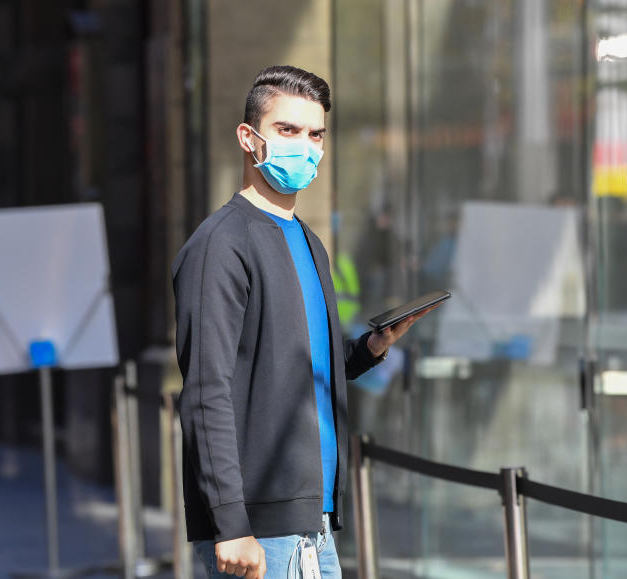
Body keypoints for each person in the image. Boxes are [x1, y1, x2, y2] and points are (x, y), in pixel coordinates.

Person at [172, 65, 435, 579]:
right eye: (287, 130)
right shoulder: (220, 244)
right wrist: (231, 524)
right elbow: (206, 391)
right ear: (249, 138)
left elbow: (294, 365)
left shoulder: (307, 240)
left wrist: (371, 348)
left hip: (311, 517)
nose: (306, 146)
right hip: (258, 528)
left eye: (315, 134)